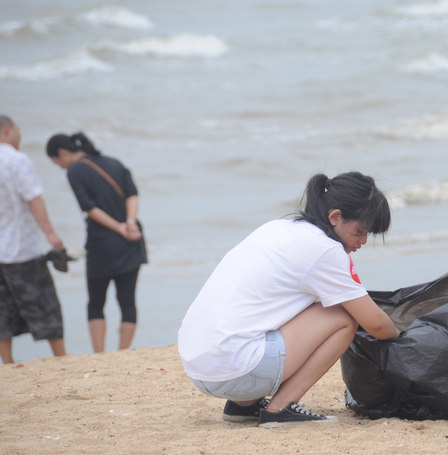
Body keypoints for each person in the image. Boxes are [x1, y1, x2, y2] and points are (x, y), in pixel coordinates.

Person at [178, 172, 400, 427]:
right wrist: (401, 336)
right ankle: (279, 408)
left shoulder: (278, 227)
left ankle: (244, 406)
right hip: (235, 371)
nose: (362, 241)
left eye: (367, 234)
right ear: (335, 217)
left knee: (304, 306)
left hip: (200, 366)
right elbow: (376, 324)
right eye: (359, 231)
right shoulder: (326, 250)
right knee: (343, 319)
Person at [46, 132, 147, 353]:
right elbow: (132, 194)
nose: (60, 167)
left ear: (63, 153)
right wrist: (128, 223)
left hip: (102, 242)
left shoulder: (75, 171)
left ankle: (99, 355)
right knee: (127, 300)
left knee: (96, 302)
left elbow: (89, 208)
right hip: (132, 239)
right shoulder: (113, 162)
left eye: (57, 162)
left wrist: (117, 228)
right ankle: (123, 352)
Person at [0, 115, 67, 363]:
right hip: (22, 249)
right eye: (17, 130)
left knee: (2, 311)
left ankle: (7, 363)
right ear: (7, 131)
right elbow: (33, 198)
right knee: (45, 307)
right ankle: (61, 357)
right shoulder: (17, 160)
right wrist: (51, 235)